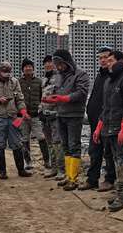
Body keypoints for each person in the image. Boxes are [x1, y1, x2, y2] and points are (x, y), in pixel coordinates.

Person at [93, 50, 123, 211]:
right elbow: (106, 107)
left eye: (111, 60)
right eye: (106, 60)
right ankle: (120, 191)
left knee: (122, 160)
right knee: (114, 159)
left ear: (121, 61)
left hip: (121, 128)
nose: (107, 63)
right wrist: (99, 127)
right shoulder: (109, 81)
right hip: (109, 127)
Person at [42, 49, 90, 191]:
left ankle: (73, 179)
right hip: (61, 114)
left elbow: (82, 93)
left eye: (60, 64)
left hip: (74, 115)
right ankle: (68, 176)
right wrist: (51, 99)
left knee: (74, 145)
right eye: (56, 64)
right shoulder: (59, 76)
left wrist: (64, 98)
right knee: (65, 146)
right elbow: (57, 92)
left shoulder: (80, 74)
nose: (58, 67)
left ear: (67, 62)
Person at [0, 62, 31, 180]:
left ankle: (21, 170)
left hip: (12, 117)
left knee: (17, 144)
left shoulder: (14, 82)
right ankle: (2, 172)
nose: (6, 75)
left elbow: (20, 99)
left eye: (8, 72)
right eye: (4, 72)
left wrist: (23, 111)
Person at [85, 46, 117, 191]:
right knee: (94, 151)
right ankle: (92, 179)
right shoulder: (100, 75)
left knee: (108, 152)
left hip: (107, 121)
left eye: (106, 57)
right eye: (100, 58)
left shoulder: (113, 76)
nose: (103, 60)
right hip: (94, 121)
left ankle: (110, 179)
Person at [19, 58, 49, 172]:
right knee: (24, 139)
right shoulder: (19, 82)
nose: (28, 68)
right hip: (22, 116)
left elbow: (43, 97)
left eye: (30, 67)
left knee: (41, 137)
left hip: (36, 115)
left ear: (33, 69)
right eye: (26, 67)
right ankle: (28, 162)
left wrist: (41, 110)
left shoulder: (39, 81)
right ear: (23, 69)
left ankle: (47, 161)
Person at [40, 56, 66, 181]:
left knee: (57, 142)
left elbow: (61, 95)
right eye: (46, 63)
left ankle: (61, 169)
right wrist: (40, 111)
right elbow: (41, 97)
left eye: (50, 62)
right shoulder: (44, 79)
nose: (48, 65)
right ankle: (53, 167)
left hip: (55, 114)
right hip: (45, 115)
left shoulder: (60, 77)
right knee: (49, 143)